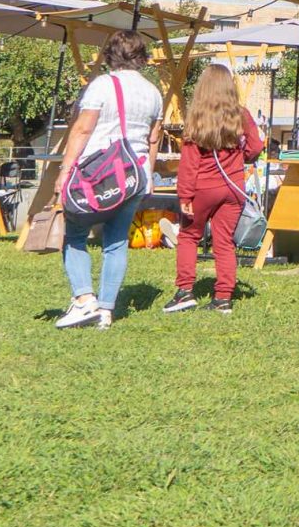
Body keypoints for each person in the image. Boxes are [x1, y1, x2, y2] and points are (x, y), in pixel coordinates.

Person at [50, 29, 163, 330]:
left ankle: (85, 299)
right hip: (135, 173)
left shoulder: (101, 85)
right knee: (116, 242)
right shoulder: (153, 92)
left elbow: (83, 130)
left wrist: (64, 171)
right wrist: (148, 174)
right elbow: (154, 138)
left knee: (74, 233)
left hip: (97, 173)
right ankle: (107, 310)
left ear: (110, 54)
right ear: (141, 57)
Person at [166, 61, 265, 315]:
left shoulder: (198, 117)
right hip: (233, 189)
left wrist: (184, 195)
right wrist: (240, 155)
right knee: (224, 243)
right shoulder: (241, 115)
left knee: (189, 236)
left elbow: (190, 164)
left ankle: (185, 292)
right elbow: (255, 148)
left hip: (203, 187)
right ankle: (223, 298)